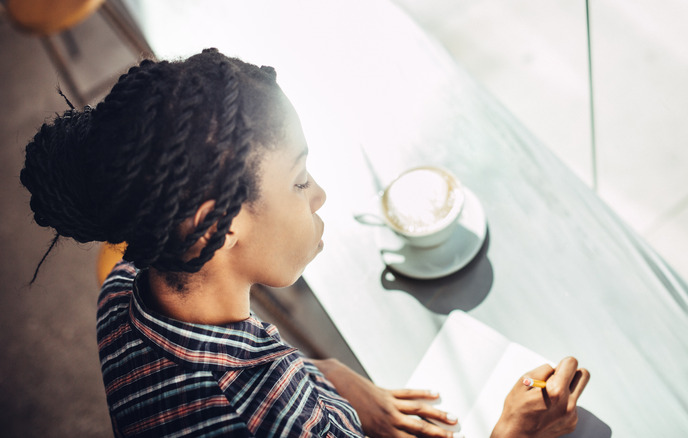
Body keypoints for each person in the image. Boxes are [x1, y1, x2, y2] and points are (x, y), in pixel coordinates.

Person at [20, 49, 589, 437]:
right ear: (210, 226)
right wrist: (512, 429)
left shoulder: (121, 294)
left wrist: (325, 376)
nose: (320, 194)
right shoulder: (298, 424)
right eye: (298, 179)